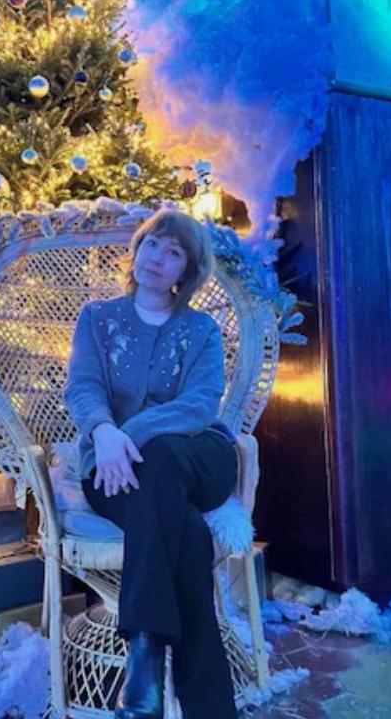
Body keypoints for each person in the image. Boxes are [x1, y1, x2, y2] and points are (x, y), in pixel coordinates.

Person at [63, 207, 239, 719]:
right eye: (151, 244)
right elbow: (83, 386)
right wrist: (103, 432)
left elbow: (200, 404)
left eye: (174, 252)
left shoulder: (201, 330)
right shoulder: (98, 319)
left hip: (197, 458)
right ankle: (209, 707)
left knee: (159, 456)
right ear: (136, 250)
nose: (158, 258)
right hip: (113, 470)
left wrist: (126, 435)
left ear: (187, 270)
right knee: (187, 535)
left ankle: (144, 659)